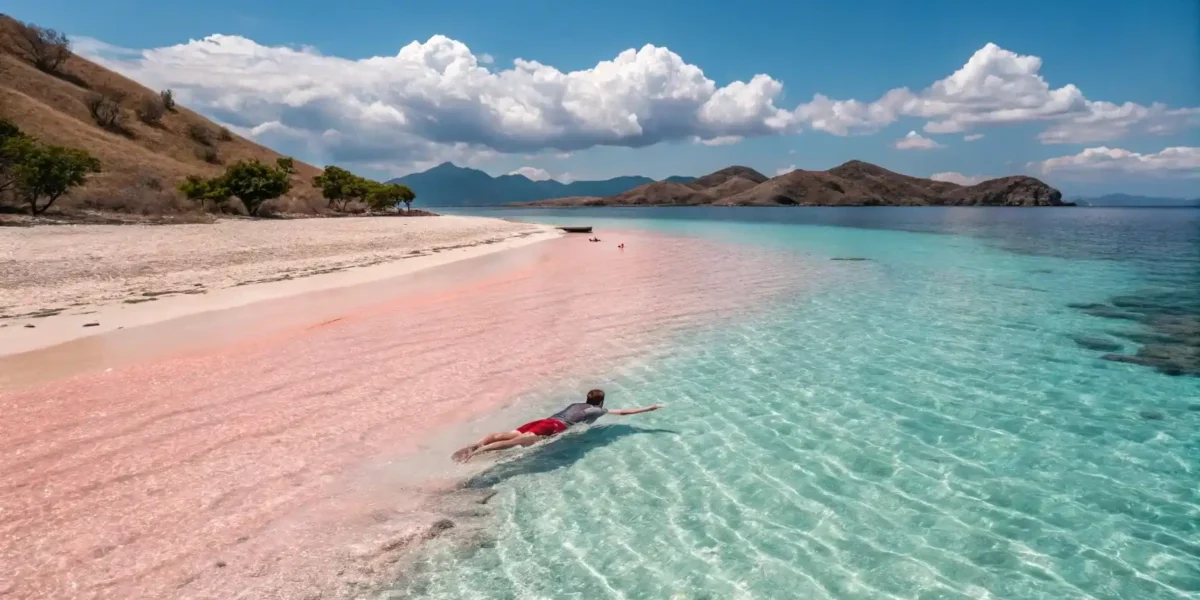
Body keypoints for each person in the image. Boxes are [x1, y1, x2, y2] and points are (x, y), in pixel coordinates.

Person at [452, 389, 662, 462]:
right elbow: (623, 412)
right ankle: (476, 453)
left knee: (505, 435)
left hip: (543, 420)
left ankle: (476, 444)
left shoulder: (576, 404)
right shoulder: (597, 410)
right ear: (601, 401)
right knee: (516, 442)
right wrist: (648, 408)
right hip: (552, 427)